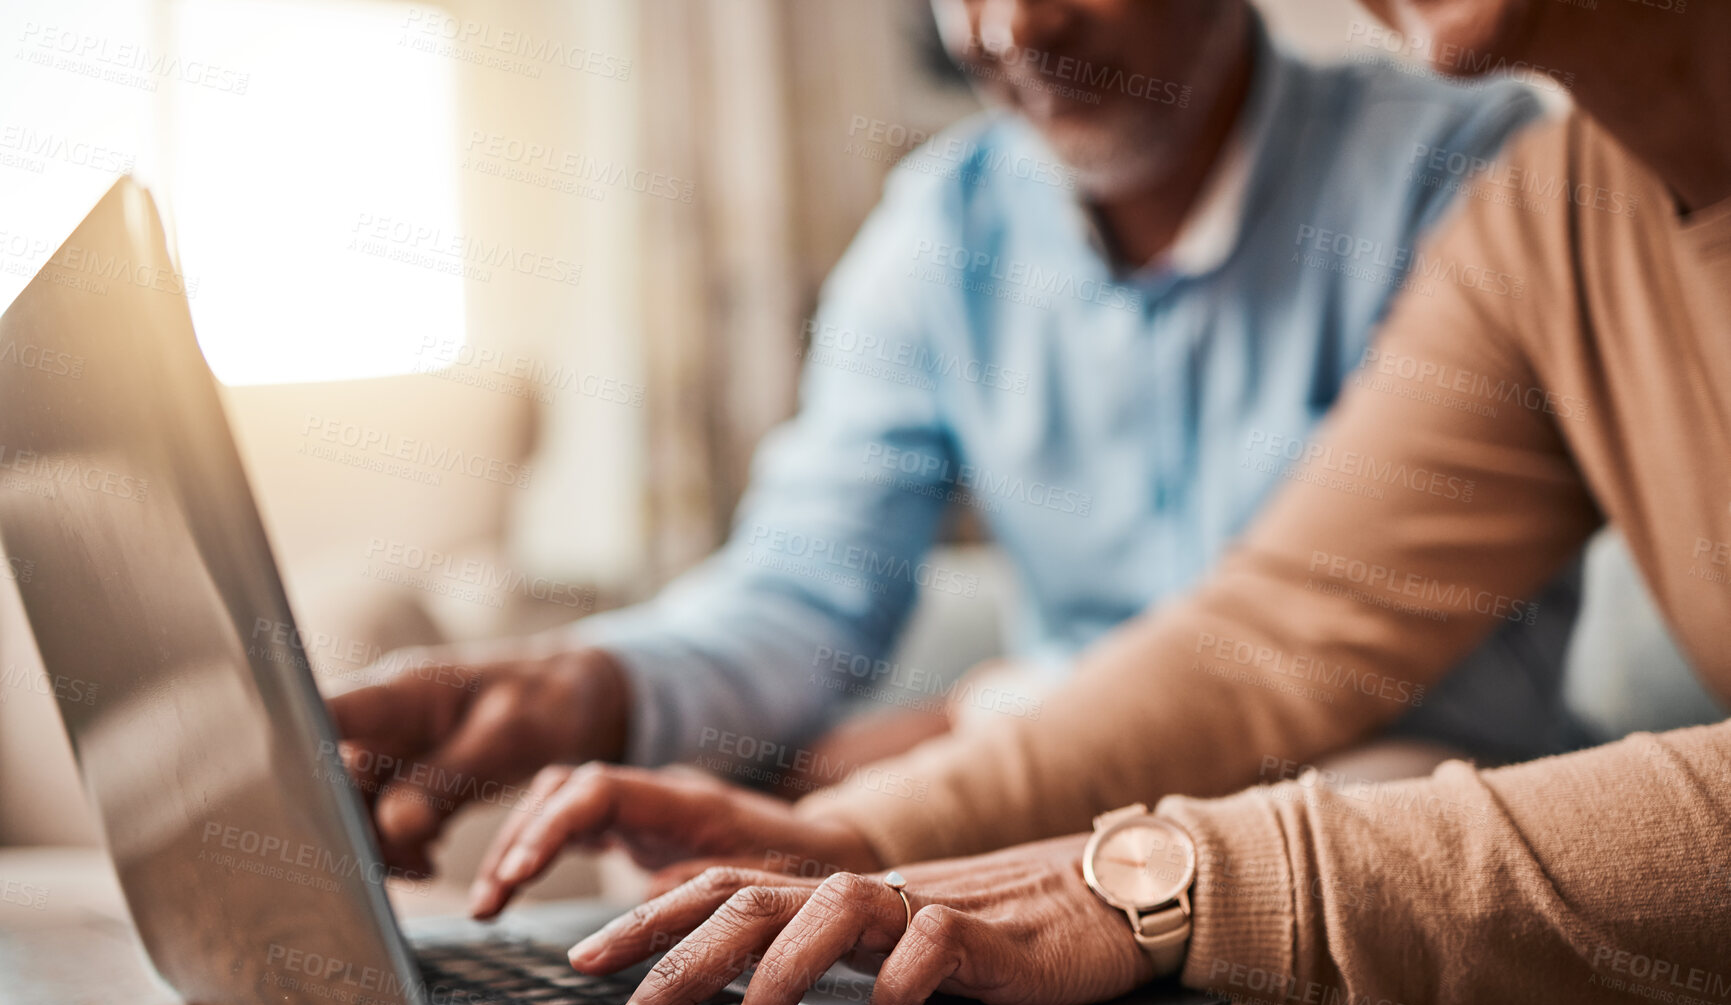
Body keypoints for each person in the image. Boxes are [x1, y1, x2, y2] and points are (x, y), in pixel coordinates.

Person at [531, 1, 1731, 1005]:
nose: (1010, 27)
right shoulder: (1552, 211)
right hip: (1157, 774)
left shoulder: (1452, 159)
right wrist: (848, 835)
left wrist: (1152, 878)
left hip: (1401, 776)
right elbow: (1284, 626)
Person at [329, 0, 1575, 897]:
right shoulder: (945, 222)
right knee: (676, 871)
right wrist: (590, 687)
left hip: (1376, 763)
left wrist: (971, 728)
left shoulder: (1459, 168)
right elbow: (805, 589)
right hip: (1050, 763)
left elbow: (1316, 640)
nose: (1012, 27)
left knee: (1318, 858)